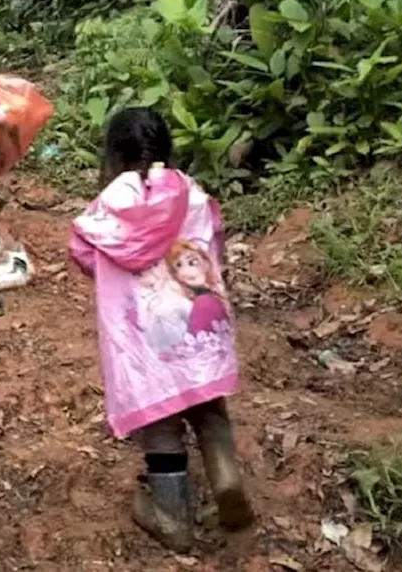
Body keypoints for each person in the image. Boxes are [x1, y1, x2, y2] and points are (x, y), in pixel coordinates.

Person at [68, 107, 254, 552]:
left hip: (145, 338)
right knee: (208, 402)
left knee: (161, 421)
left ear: (112, 155)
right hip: (198, 318)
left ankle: (172, 517)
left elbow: (83, 253)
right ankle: (225, 472)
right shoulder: (191, 192)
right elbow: (215, 237)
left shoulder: (108, 205)